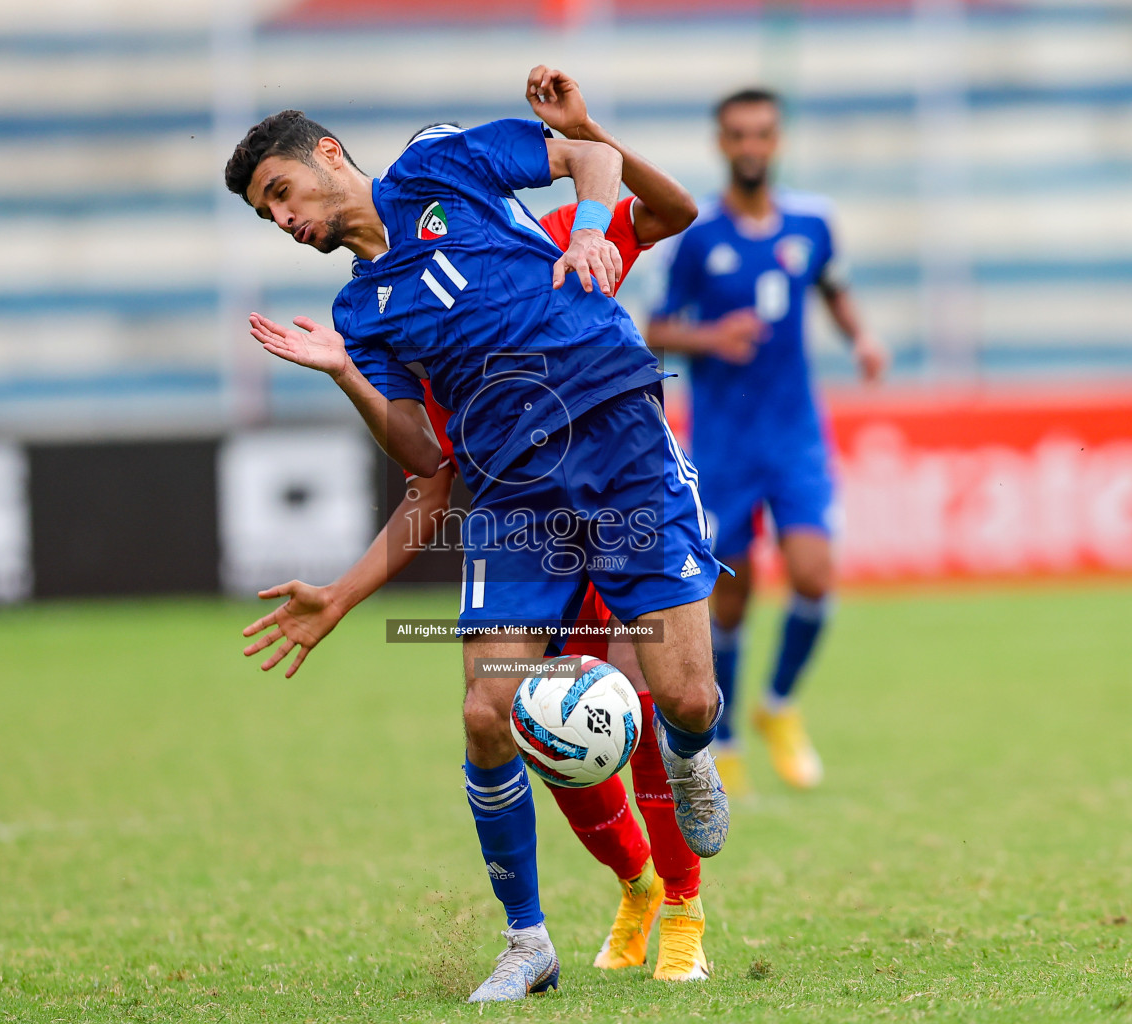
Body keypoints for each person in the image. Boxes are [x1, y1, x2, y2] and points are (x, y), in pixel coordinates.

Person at [223, 73, 729, 1003]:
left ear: (326, 152)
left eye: (280, 194)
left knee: (687, 696)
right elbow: (424, 458)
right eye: (267, 216)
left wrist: (585, 228)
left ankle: (693, 758)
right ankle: (529, 941)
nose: (283, 221)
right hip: (512, 495)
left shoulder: (438, 165)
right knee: (486, 713)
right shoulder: (360, 313)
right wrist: (346, 373)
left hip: (616, 432)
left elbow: (592, 158)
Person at [645, 87, 887, 794]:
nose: (751, 147)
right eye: (738, 136)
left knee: (813, 576)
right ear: (723, 144)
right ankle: (723, 739)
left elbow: (831, 286)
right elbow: (656, 328)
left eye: (762, 135)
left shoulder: (813, 222)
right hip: (722, 442)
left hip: (795, 436)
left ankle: (777, 705)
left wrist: (861, 338)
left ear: (776, 142)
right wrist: (710, 338)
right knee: (732, 595)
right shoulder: (696, 236)